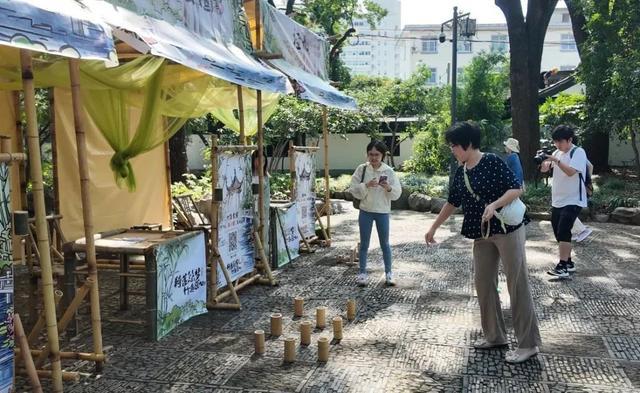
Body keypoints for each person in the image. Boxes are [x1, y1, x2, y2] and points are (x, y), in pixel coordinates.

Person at [425, 121, 541, 364]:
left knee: (516, 283)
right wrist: (434, 227)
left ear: (467, 144)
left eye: (454, 145)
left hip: (507, 229)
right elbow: (452, 202)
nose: (452, 150)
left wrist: (494, 204)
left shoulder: (492, 161)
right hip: (481, 233)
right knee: (483, 283)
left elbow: (515, 189)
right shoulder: (462, 170)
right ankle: (495, 336)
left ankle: (528, 344)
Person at [349, 141, 402, 287]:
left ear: (383, 155)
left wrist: (388, 187)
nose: (373, 157)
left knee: (385, 244)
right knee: (364, 244)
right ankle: (362, 274)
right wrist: (366, 185)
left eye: (377, 154)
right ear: (367, 155)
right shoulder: (362, 169)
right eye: (371, 154)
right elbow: (352, 188)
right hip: (365, 211)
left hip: (382, 212)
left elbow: (397, 193)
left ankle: (389, 273)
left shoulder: (388, 171)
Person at [541, 125, 590, 277]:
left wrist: (556, 160)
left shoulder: (578, 152)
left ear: (569, 140)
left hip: (574, 199)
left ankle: (562, 266)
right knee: (558, 231)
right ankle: (568, 262)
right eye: (555, 142)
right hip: (558, 199)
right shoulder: (557, 152)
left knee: (563, 230)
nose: (557, 145)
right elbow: (544, 171)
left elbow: (570, 172)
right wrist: (544, 161)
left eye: (560, 142)